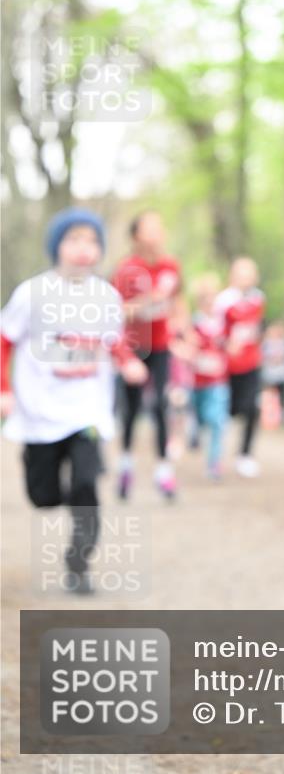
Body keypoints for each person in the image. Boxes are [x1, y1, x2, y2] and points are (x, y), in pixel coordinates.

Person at [0, 208, 146, 594]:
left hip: (88, 410)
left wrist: (129, 363)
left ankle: (78, 563)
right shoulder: (31, 293)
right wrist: (4, 389)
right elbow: (4, 339)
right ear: (57, 247)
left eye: (92, 241)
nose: (83, 249)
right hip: (40, 411)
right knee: (43, 496)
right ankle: (51, 491)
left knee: (86, 483)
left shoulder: (107, 296)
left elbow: (113, 342)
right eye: (74, 239)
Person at [112, 211, 182, 500]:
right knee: (131, 408)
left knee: (162, 405)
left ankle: (164, 471)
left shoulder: (170, 266)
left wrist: (183, 331)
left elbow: (178, 301)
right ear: (136, 236)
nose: (156, 233)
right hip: (134, 346)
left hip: (162, 345)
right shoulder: (126, 269)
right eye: (149, 228)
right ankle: (126, 464)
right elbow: (115, 310)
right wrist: (145, 302)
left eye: (159, 227)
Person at [215, 257, 265, 478]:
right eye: (242, 273)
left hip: (252, 362)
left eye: (250, 273)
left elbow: (257, 328)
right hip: (227, 367)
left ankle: (245, 455)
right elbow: (214, 331)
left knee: (253, 408)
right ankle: (215, 455)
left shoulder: (258, 298)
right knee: (228, 410)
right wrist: (226, 345)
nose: (247, 278)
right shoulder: (224, 301)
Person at [190, 273, 230, 480]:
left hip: (218, 381)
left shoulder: (223, 323)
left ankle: (214, 463)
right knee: (200, 418)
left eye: (212, 296)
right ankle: (193, 433)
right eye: (205, 297)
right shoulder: (193, 322)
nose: (209, 301)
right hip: (197, 382)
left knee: (217, 421)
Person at [261, 320, 284, 425]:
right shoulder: (266, 343)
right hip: (269, 375)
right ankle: (268, 418)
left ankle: (283, 419)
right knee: (268, 397)